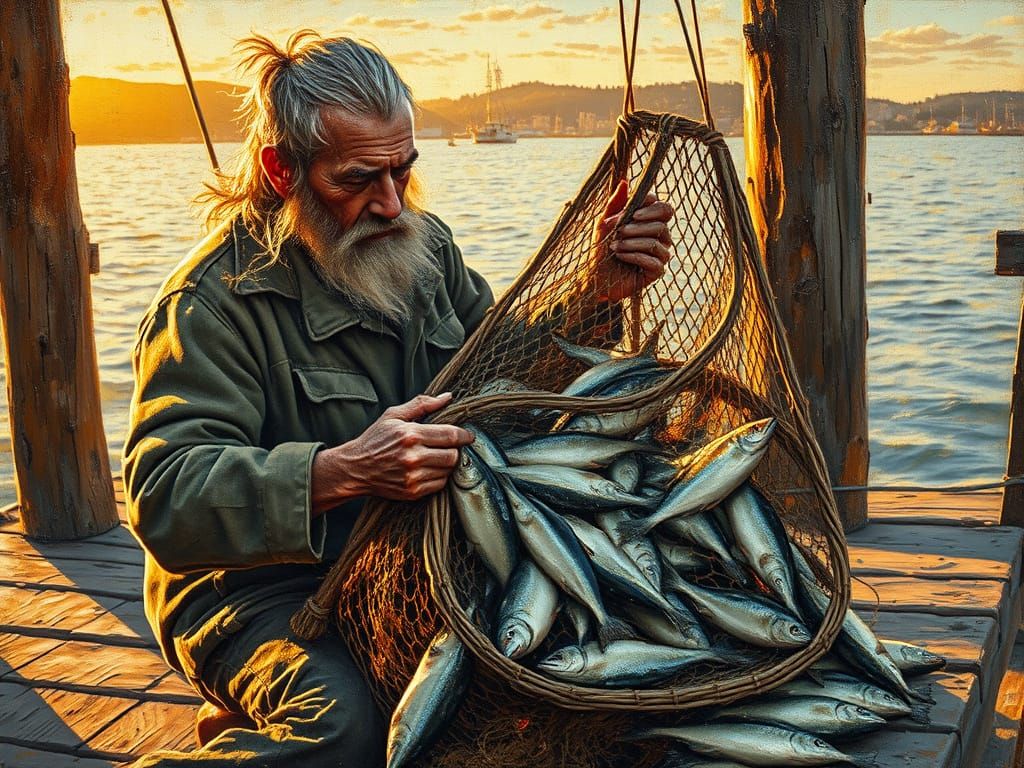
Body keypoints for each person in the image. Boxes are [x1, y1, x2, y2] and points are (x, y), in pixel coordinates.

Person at [123, 31, 674, 768]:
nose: (390, 203)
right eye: (357, 180)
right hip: (259, 591)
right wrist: (343, 470)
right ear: (282, 170)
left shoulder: (427, 248)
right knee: (348, 732)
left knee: (590, 676)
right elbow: (164, 496)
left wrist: (593, 294)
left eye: (403, 170)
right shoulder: (209, 305)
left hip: (419, 561)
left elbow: (498, 377)